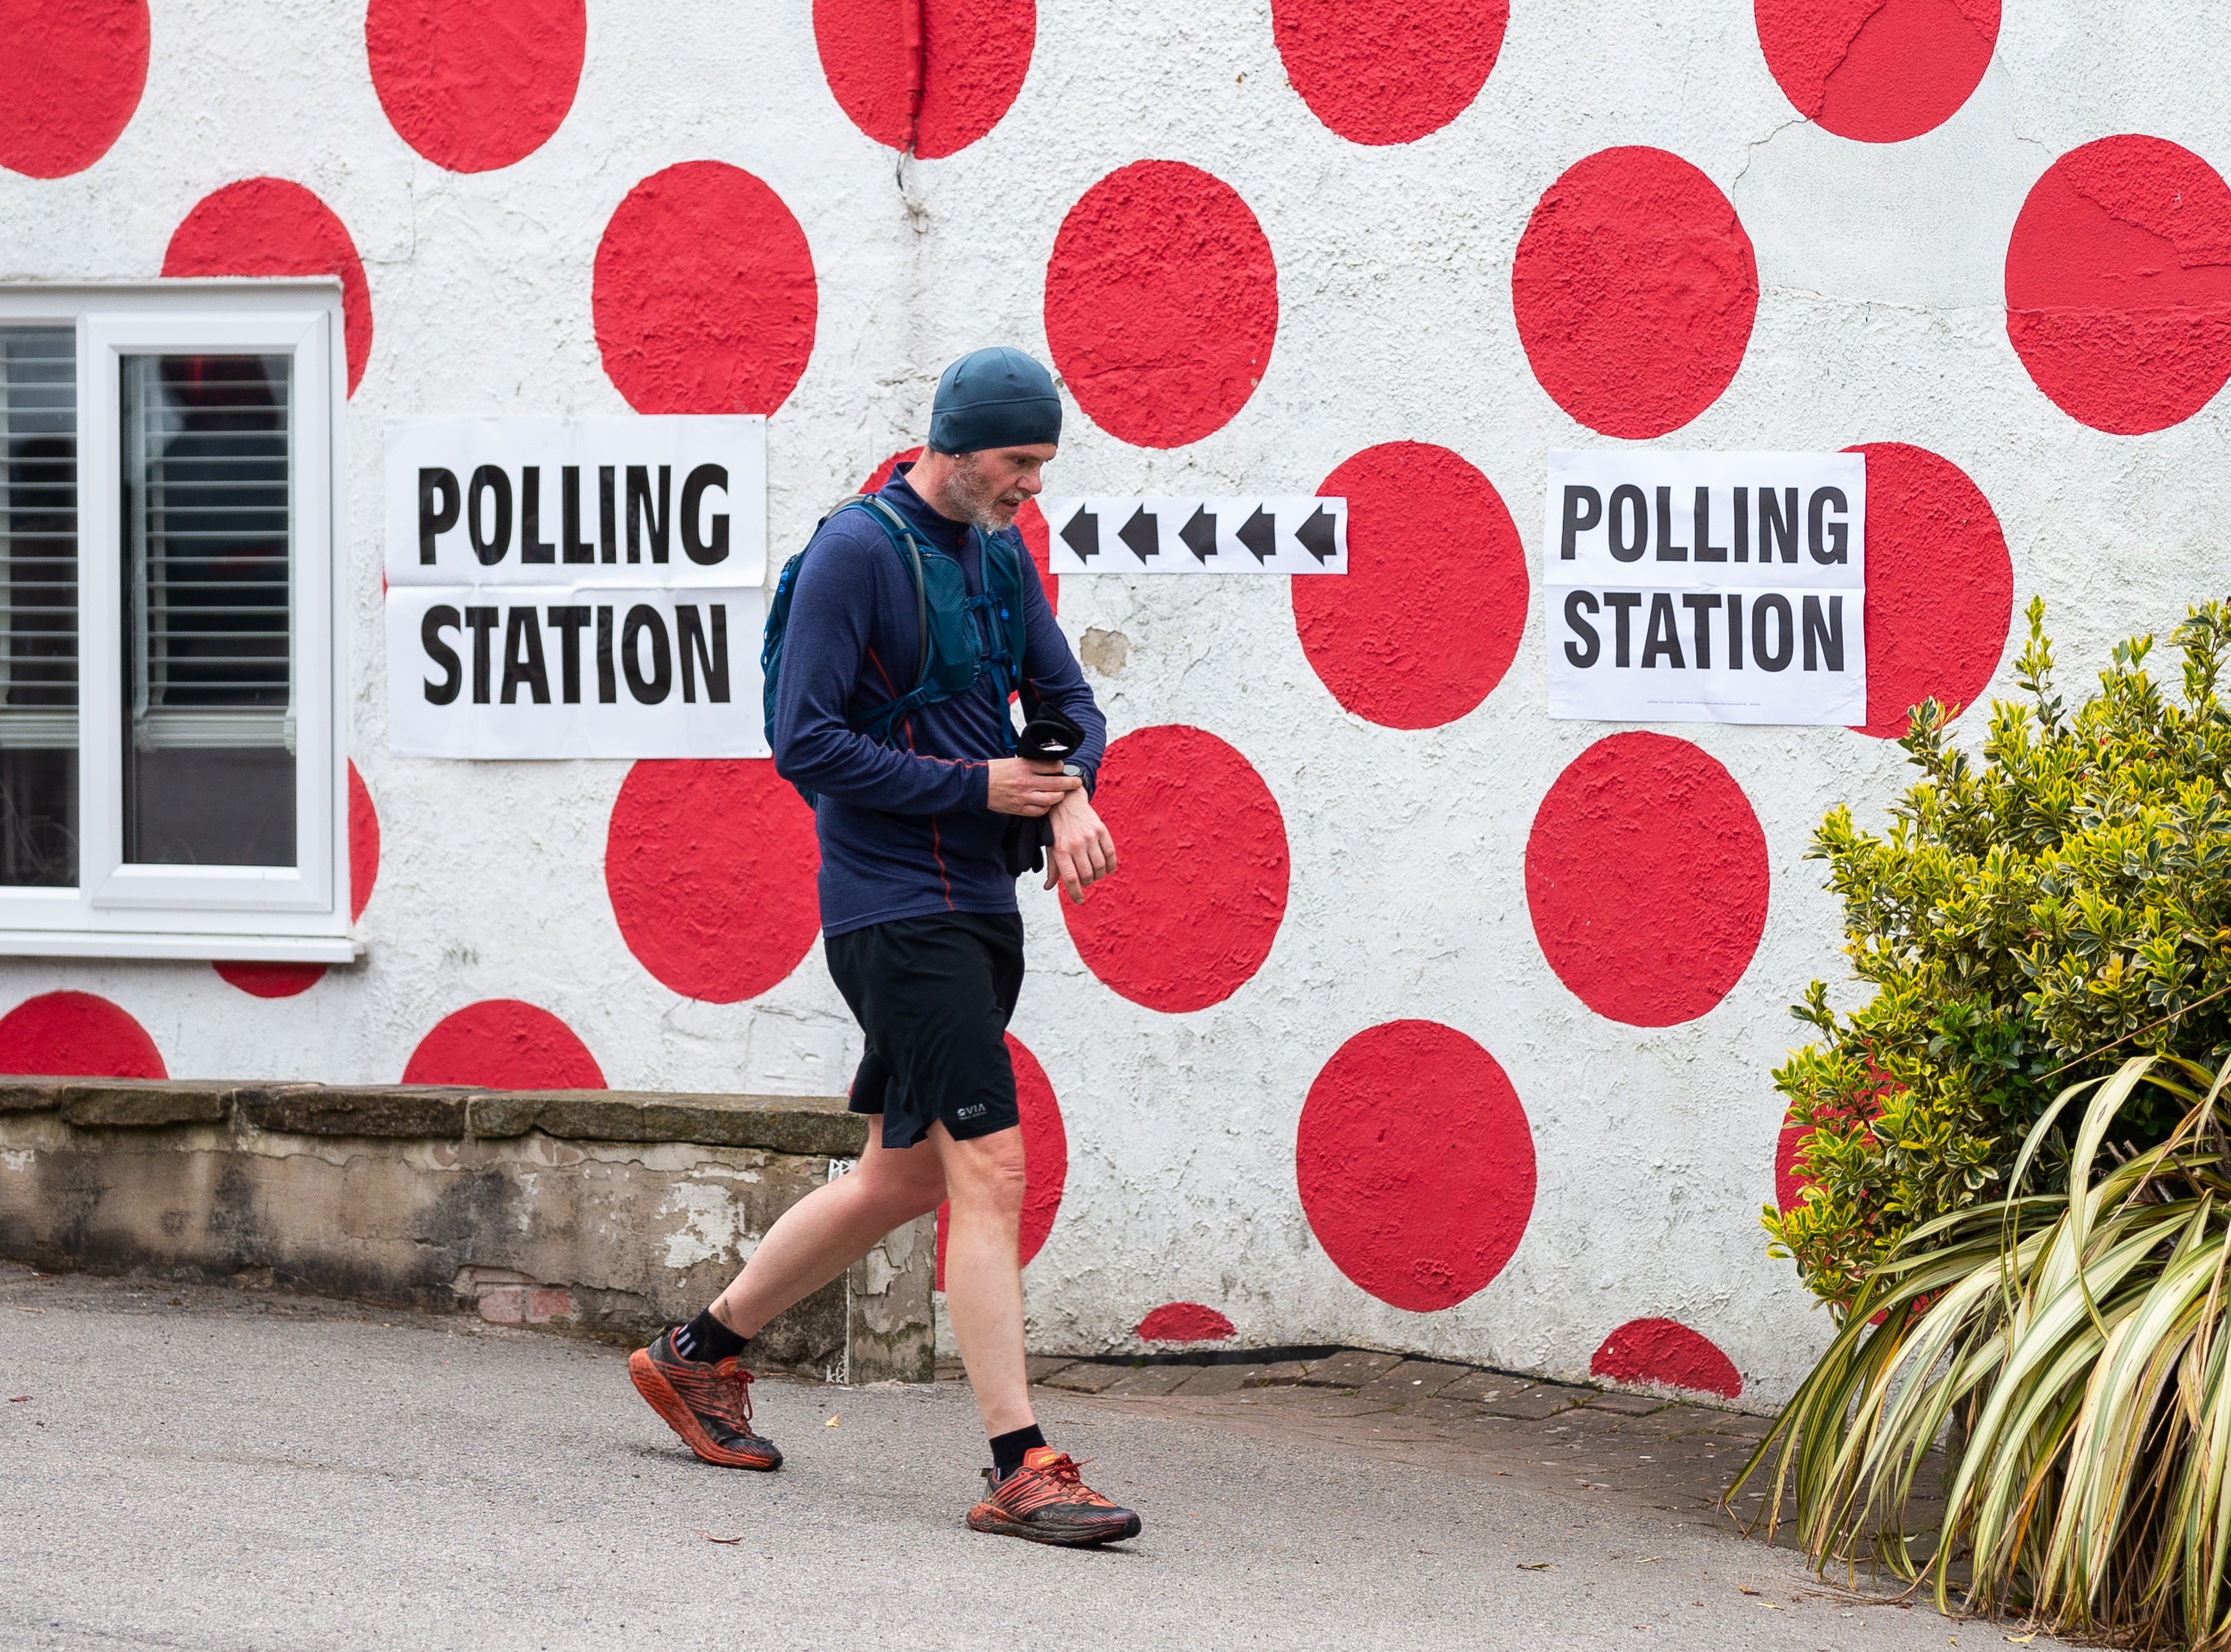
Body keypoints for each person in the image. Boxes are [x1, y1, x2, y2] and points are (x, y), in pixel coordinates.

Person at [626, 346, 1140, 1547]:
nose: (1031, 489)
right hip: (892, 908)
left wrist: (1064, 792)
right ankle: (1022, 1464)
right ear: (955, 445)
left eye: (1043, 466)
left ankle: (695, 1355)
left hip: (975, 909)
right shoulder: (857, 551)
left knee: (902, 1177)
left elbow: (1070, 705)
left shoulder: (1001, 555)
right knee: (991, 1172)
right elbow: (804, 743)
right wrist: (987, 785)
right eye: (1019, 464)